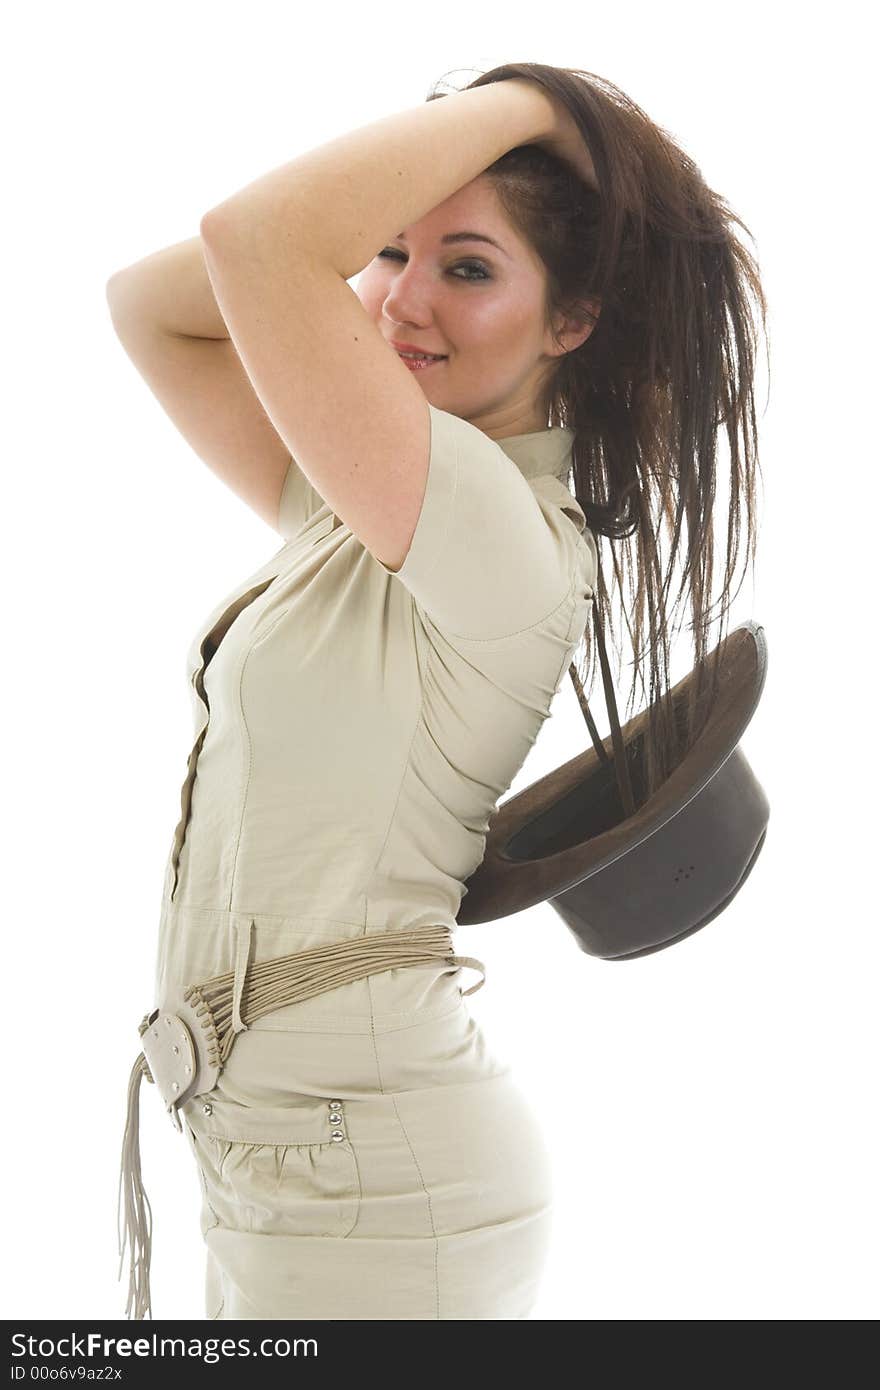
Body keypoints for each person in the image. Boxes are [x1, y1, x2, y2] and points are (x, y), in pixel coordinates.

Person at [110, 61, 765, 1321]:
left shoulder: (491, 524)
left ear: (569, 319)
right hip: (285, 1159)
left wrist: (540, 106)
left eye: (468, 268)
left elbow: (253, 246)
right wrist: (443, 188)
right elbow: (154, 310)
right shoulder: (355, 509)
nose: (401, 301)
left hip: (374, 1187)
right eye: (386, 252)